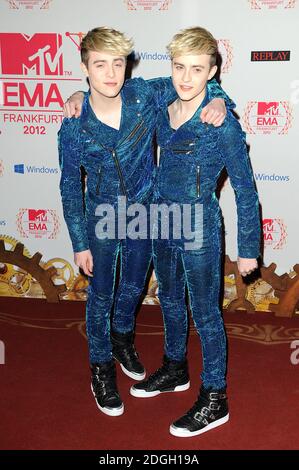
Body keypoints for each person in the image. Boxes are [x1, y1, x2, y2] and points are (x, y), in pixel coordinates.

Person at [59, 26, 233, 417]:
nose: (110, 73)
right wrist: (79, 241)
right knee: (101, 294)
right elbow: (70, 186)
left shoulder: (143, 95)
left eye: (117, 64)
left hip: (146, 211)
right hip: (102, 216)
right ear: (85, 68)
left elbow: (196, 81)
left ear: (127, 67)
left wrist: (221, 100)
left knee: (136, 285)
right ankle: (101, 369)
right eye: (99, 64)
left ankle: (122, 337)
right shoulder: (73, 125)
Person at [130, 26, 261, 437]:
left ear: (213, 70)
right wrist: (81, 95)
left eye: (197, 69)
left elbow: (245, 190)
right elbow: (119, 86)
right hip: (161, 219)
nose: (186, 78)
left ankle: (216, 397)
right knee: (169, 296)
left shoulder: (221, 123)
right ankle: (174, 367)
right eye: (179, 67)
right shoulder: (165, 96)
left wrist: (248, 250)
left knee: (205, 313)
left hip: (199, 224)